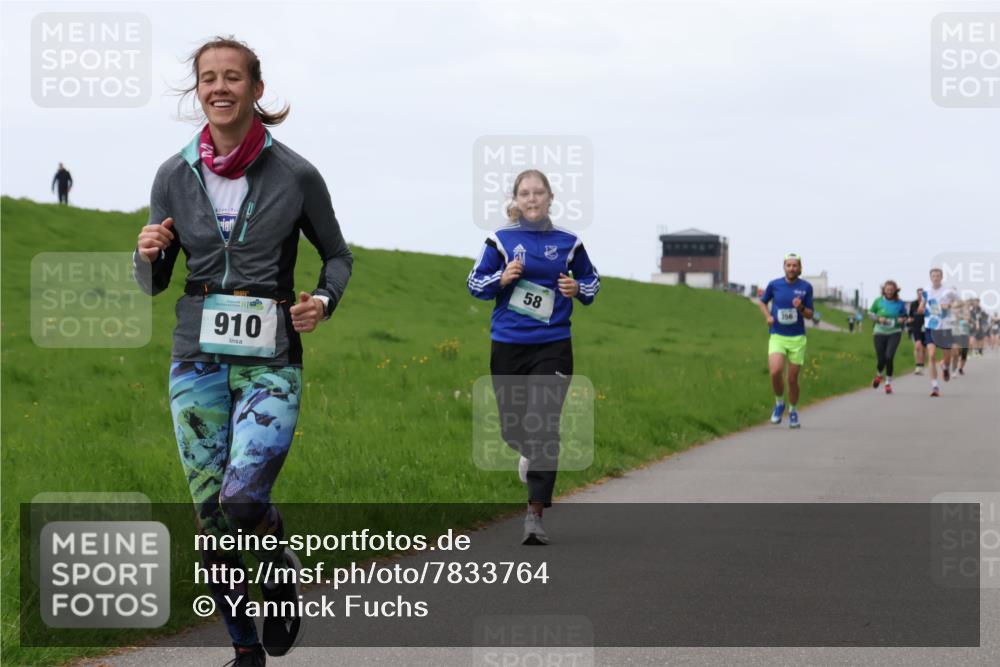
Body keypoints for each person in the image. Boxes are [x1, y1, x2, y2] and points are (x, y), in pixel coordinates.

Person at [133, 37, 352, 666]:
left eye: (233, 77)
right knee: (212, 516)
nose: (219, 88)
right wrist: (147, 254)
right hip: (194, 358)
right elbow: (155, 281)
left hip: (270, 358)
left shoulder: (295, 174)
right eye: (208, 79)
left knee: (241, 499)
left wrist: (323, 301)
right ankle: (244, 650)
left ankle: (277, 559)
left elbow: (337, 254)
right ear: (197, 91)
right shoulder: (174, 175)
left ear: (257, 89)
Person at [467, 169, 600, 545]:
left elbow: (592, 281)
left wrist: (578, 288)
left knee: (543, 426)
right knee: (514, 429)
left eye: (538, 193)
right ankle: (527, 452)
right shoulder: (500, 240)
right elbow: (475, 283)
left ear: (549, 197)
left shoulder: (569, 242)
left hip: (553, 344)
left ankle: (534, 515)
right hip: (508, 344)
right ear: (516, 199)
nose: (531, 199)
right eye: (524, 193)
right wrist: (503, 279)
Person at [756, 253, 814, 428]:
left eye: (795, 265)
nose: (791, 268)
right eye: (788, 265)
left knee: (792, 379)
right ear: (784, 267)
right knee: (775, 371)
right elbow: (762, 302)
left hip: (797, 338)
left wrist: (801, 307)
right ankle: (779, 404)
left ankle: (793, 410)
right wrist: (768, 317)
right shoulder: (774, 285)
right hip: (777, 335)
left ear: (800, 268)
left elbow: (810, 315)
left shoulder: (806, 287)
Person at [917, 268, 958, 397]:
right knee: (932, 355)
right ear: (930, 278)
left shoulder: (948, 291)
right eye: (933, 276)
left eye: (938, 276)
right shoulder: (926, 291)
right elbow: (921, 307)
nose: (935, 278)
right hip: (931, 326)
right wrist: (921, 309)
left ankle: (945, 367)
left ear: (941, 277)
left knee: (947, 357)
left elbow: (960, 303)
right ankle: (935, 386)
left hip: (945, 327)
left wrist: (950, 306)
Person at [868, 280, 908, 394]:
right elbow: (870, 314)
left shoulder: (900, 303)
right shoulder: (878, 301)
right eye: (887, 289)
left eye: (891, 289)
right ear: (884, 290)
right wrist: (878, 318)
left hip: (894, 332)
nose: (889, 291)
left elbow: (905, 315)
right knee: (881, 359)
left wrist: (902, 319)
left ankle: (888, 383)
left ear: (895, 290)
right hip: (879, 332)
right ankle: (879, 375)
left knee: (889, 357)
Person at [907, 287, 926, 374]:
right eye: (919, 294)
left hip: (926, 328)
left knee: (924, 348)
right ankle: (918, 366)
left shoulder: (928, 303)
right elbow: (910, 316)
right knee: (918, 346)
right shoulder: (913, 304)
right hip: (916, 328)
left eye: (922, 294)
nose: (920, 295)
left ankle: (921, 365)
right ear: (917, 294)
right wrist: (909, 321)